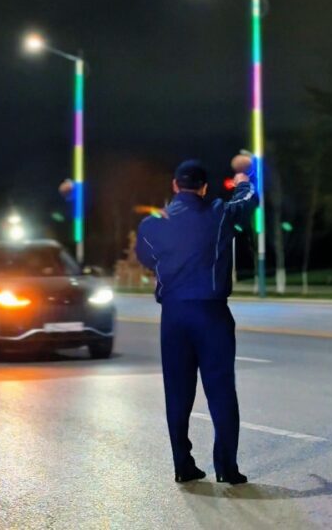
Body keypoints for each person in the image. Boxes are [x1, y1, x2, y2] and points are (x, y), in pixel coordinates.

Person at [136, 158, 258, 485]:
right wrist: (243, 181)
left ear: (175, 186)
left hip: (174, 316)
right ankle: (227, 468)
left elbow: (146, 258)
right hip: (212, 314)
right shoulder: (219, 213)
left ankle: (183, 465)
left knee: (177, 393)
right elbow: (248, 202)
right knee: (221, 391)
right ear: (204, 188)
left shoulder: (153, 224)